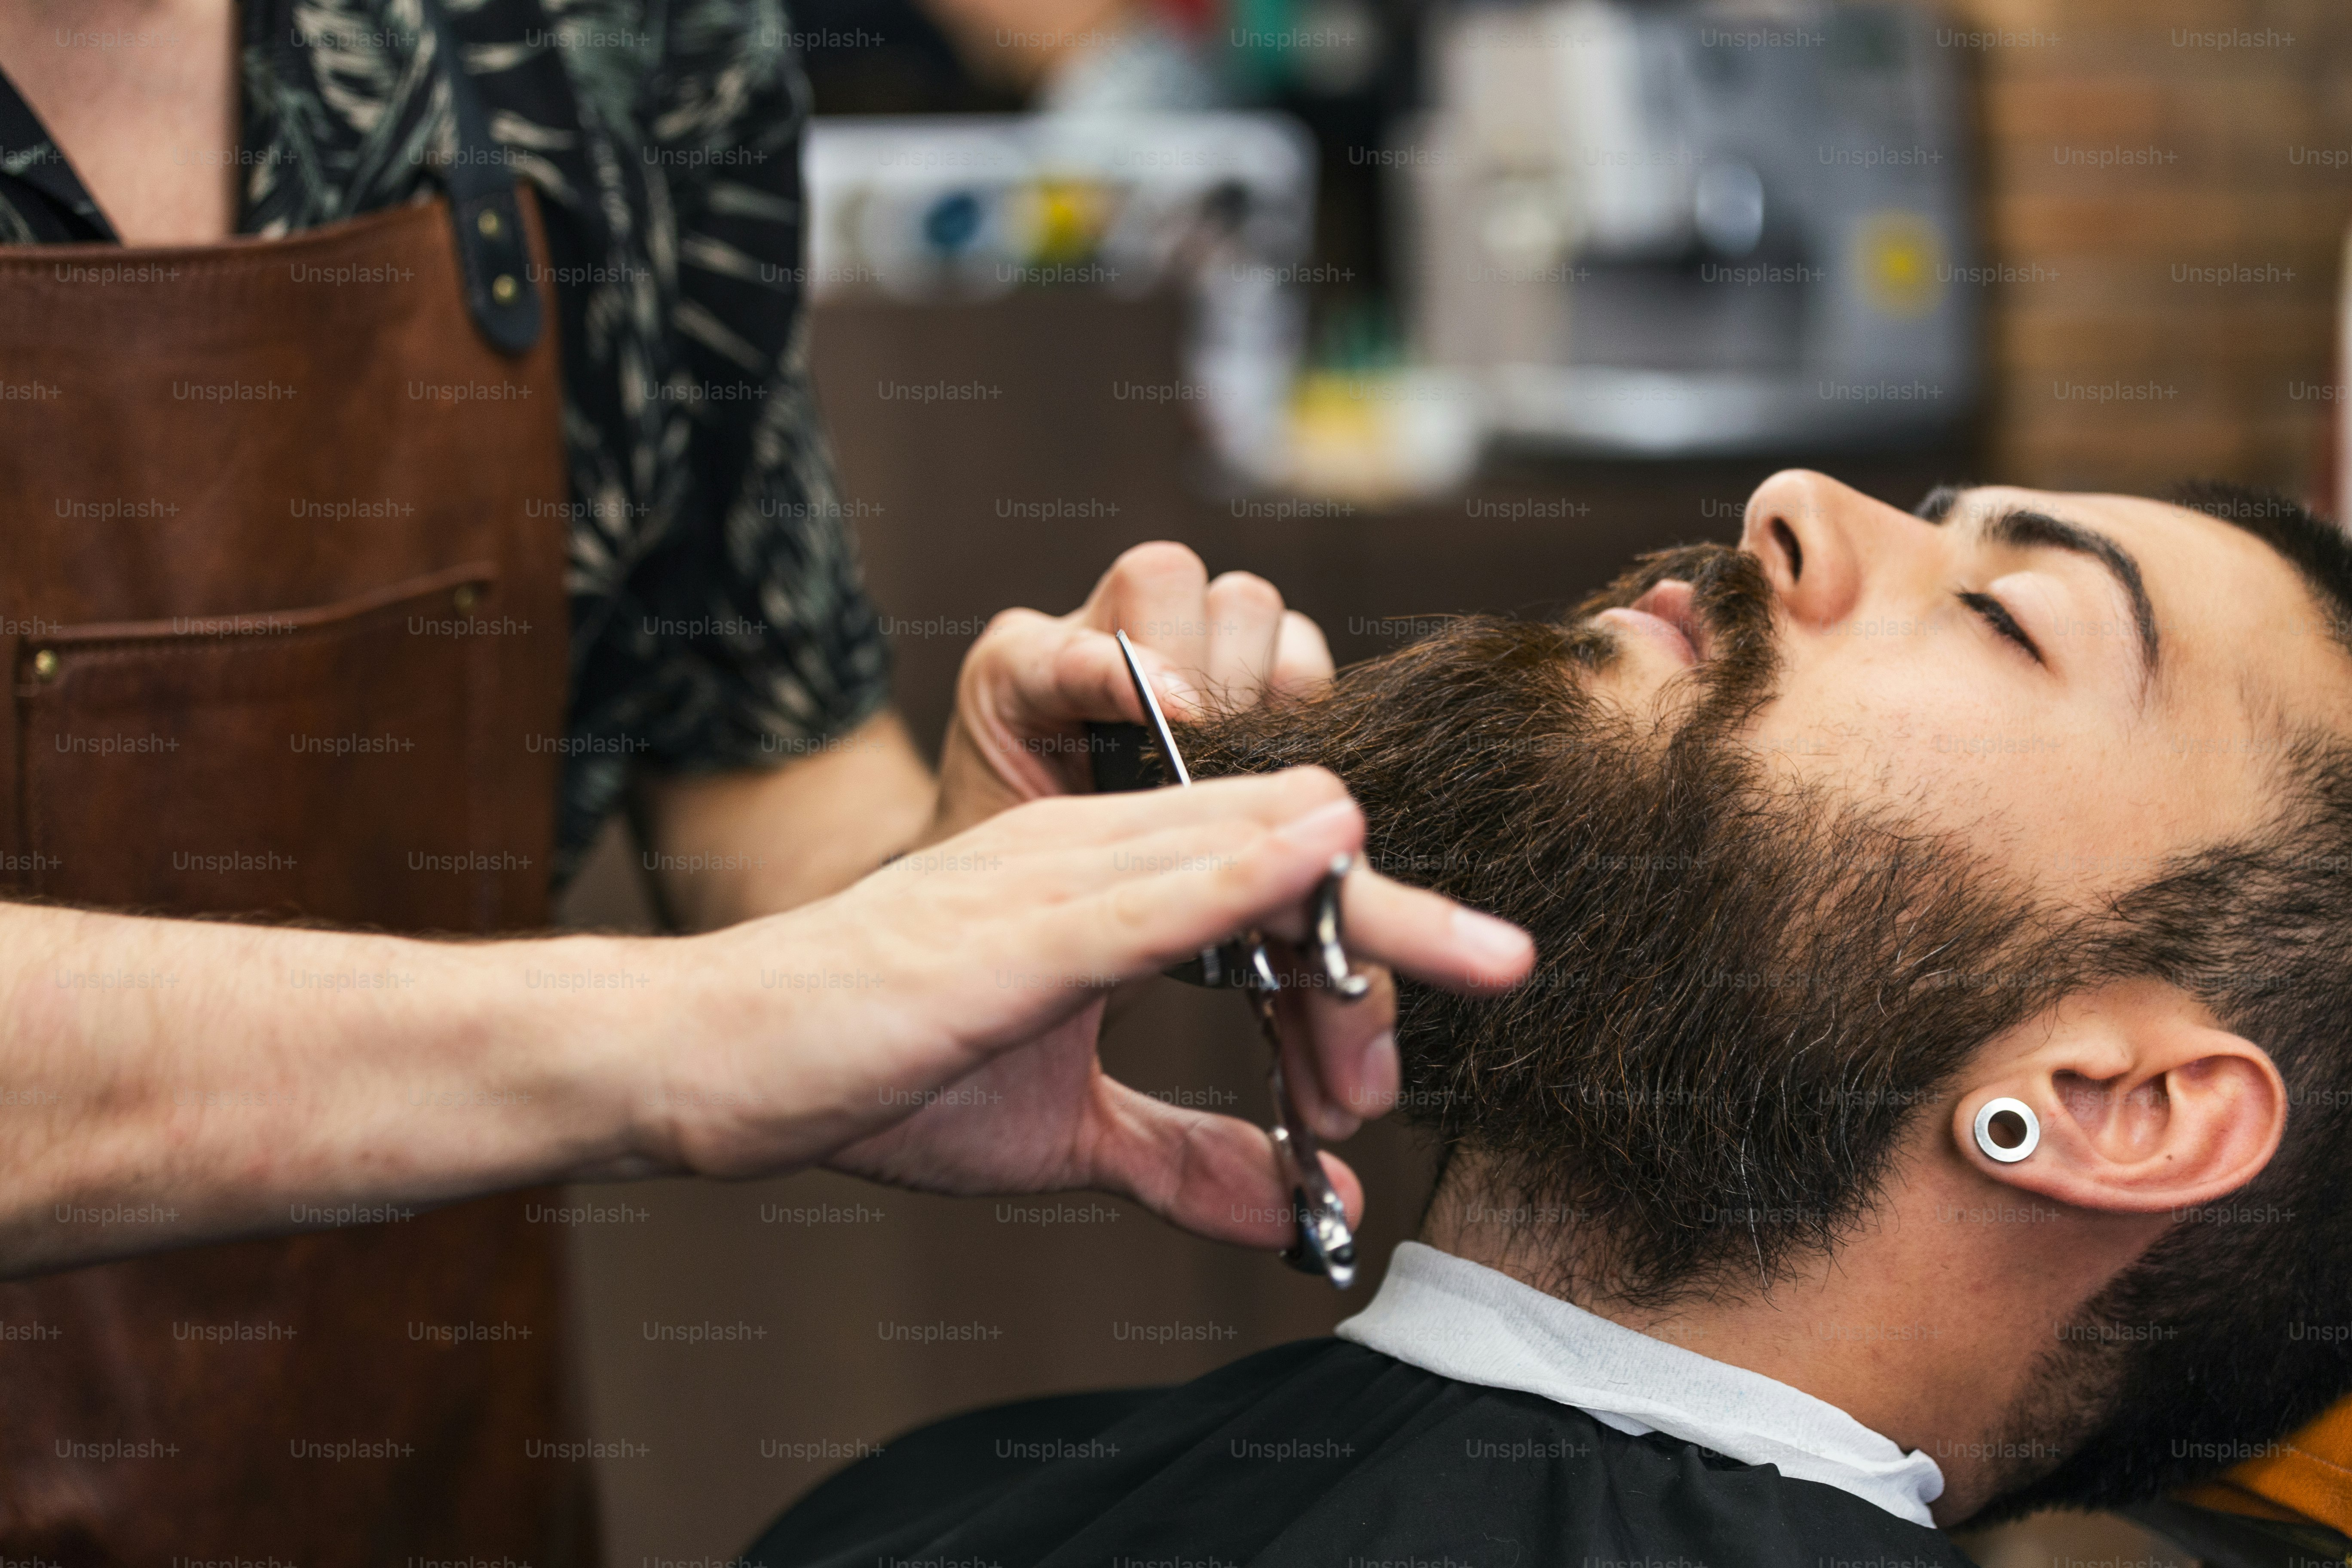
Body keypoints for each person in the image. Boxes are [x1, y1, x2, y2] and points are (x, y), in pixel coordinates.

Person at [0, 4, 1531, 1564]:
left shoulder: (615, 41)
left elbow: (753, 760)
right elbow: (723, 1017)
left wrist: (964, 883)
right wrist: (675, 1032)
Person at [746, 469, 2352, 1566]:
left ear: (2109, 1106)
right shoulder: (955, 1499)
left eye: (2009, 615)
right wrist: (845, 973)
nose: (1790, 501)